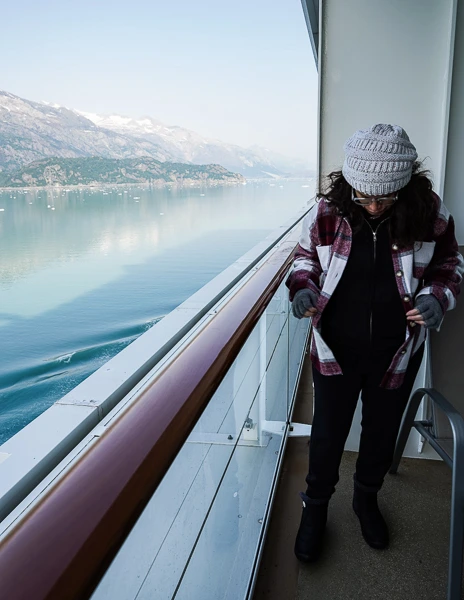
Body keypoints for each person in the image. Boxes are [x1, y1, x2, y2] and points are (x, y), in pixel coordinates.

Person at [286, 124, 463, 562]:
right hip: (335, 348)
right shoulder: (328, 211)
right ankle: (315, 508)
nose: (372, 204)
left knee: (380, 433)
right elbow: (304, 257)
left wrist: (437, 298)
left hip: (396, 351)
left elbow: (451, 264)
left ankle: (366, 498)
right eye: (364, 195)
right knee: (327, 434)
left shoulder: (430, 216)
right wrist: (302, 288)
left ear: (403, 187)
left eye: (383, 198)